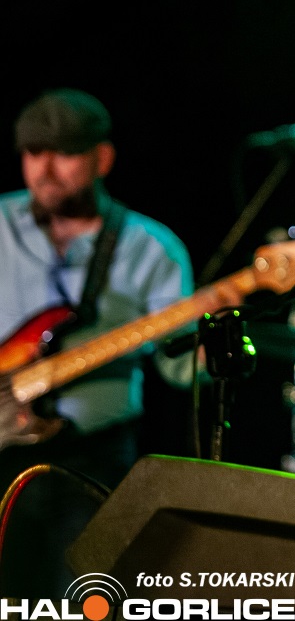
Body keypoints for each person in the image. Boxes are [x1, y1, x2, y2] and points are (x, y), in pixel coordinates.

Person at [0, 88, 194, 596]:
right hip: (1, 454)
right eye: (33, 152)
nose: (45, 169)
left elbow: (182, 369)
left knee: (82, 600)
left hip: (92, 462)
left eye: (64, 153)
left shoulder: (152, 248)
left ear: (102, 159)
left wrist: (214, 335)